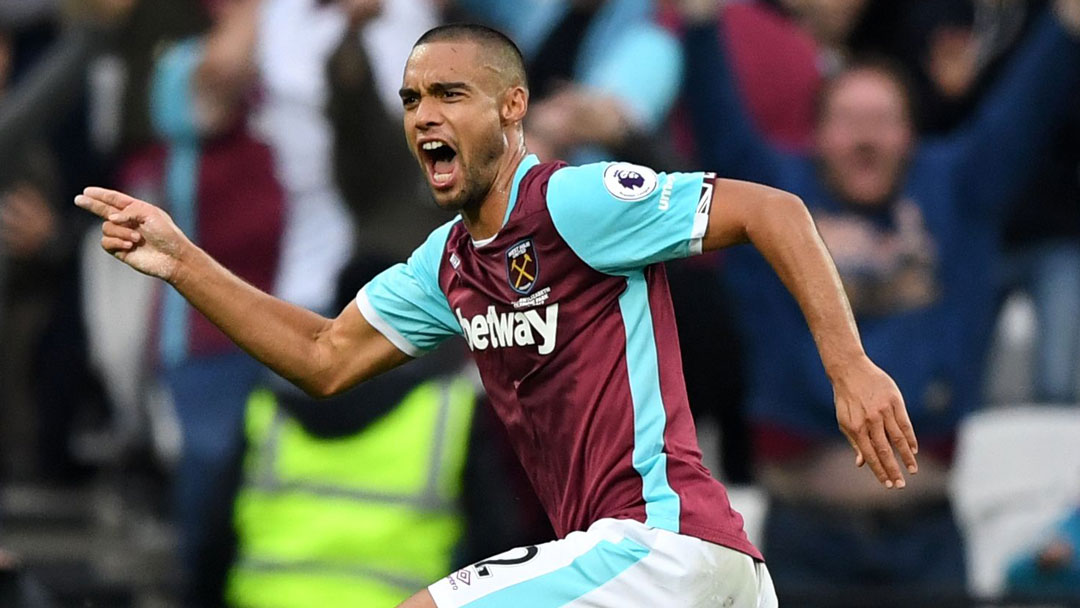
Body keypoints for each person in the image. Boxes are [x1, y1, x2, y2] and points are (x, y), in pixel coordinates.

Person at [76, 23, 919, 607]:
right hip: (672, 575)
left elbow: (774, 211)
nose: (424, 117)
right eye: (411, 100)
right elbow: (325, 356)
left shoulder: (573, 202)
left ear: (512, 109)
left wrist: (850, 369)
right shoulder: (448, 264)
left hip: (662, 549)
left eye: (450, 94)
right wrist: (182, 260)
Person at [677, 0, 1080, 599]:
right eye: (847, 119)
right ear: (816, 135)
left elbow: (1027, 104)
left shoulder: (958, 192)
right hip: (803, 541)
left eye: (883, 119)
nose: (866, 136)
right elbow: (718, 117)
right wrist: (701, 22)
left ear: (911, 135)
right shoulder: (771, 202)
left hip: (928, 542)